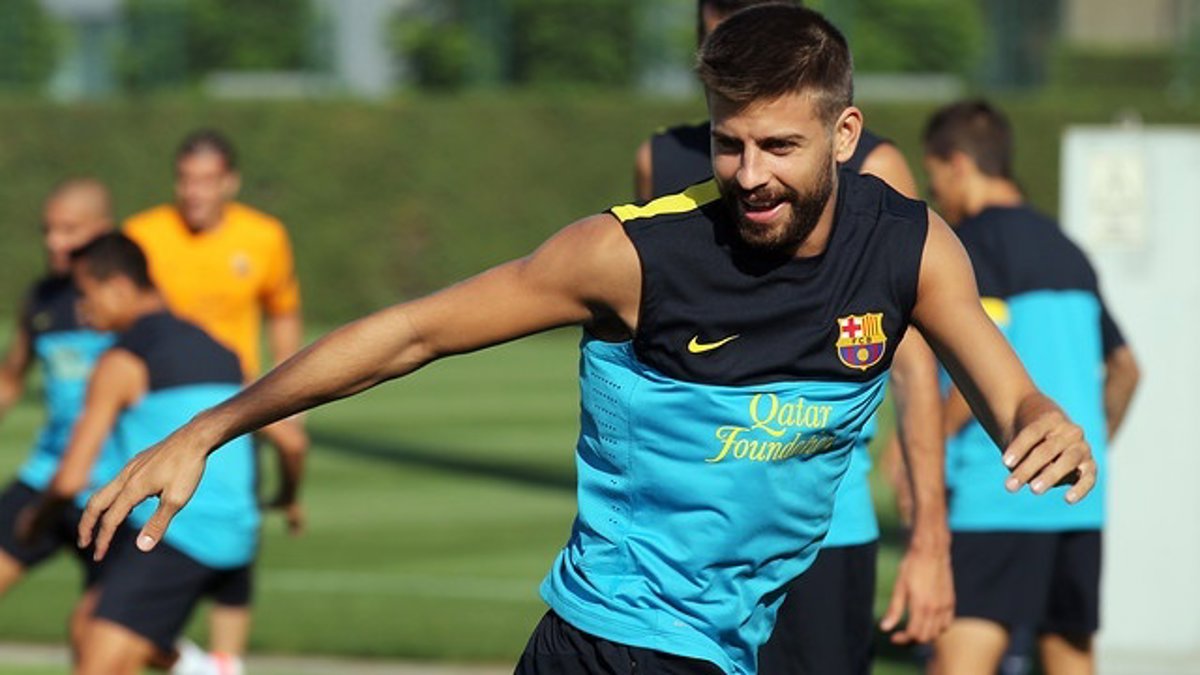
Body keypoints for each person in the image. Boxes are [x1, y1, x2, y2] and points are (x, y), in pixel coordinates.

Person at [82, 7, 1097, 675]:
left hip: (732, 637)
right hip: (616, 641)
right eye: (730, 143)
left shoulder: (909, 245)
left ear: (844, 134)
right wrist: (211, 428)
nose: (750, 175)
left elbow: (1005, 388)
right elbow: (412, 332)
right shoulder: (633, 256)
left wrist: (1040, 418)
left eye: (779, 146)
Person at [636, 3, 950, 672]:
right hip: (680, 551)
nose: (752, 174)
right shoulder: (660, 160)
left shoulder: (875, 165)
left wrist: (929, 541)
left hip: (822, 532)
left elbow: (913, 360)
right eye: (723, 20)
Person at [919, 100, 1140, 675]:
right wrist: (1085, 444)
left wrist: (918, 449)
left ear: (958, 164)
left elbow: (976, 365)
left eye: (934, 175)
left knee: (960, 658)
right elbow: (1126, 368)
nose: (935, 193)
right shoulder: (1068, 249)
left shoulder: (968, 244)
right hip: (1075, 501)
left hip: (998, 495)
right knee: (1068, 654)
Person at [24, 232, 261, 675]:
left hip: (174, 534)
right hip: (239, 533)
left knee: (98, 661)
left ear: (118, 287)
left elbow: (72, 478)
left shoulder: (121, 361)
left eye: (86, 293)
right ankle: (198, 666)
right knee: (87, 623)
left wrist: (36, 520)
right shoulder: (223, 351)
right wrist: (289, 496)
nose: (81, 308)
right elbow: (290, 440)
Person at [124, 129, 307, 674]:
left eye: (206, 181)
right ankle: (180, 657)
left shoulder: (264, 236)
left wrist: (292, 393)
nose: (194, 192)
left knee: (232, 544)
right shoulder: (143, 235)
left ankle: (226, 662)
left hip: (235, 411)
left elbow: (283, 310)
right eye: (185, 180)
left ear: (230, 182)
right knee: (135, 558)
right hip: (158, 410)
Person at [0, 180, 115, 650]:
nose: (54, 241)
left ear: (101, 230)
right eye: (48, 229)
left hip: (113, 486)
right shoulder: (41, 299)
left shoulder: (125, 296)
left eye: (69, 230)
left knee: (96, 636)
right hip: (47, 474)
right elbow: (12, 377)